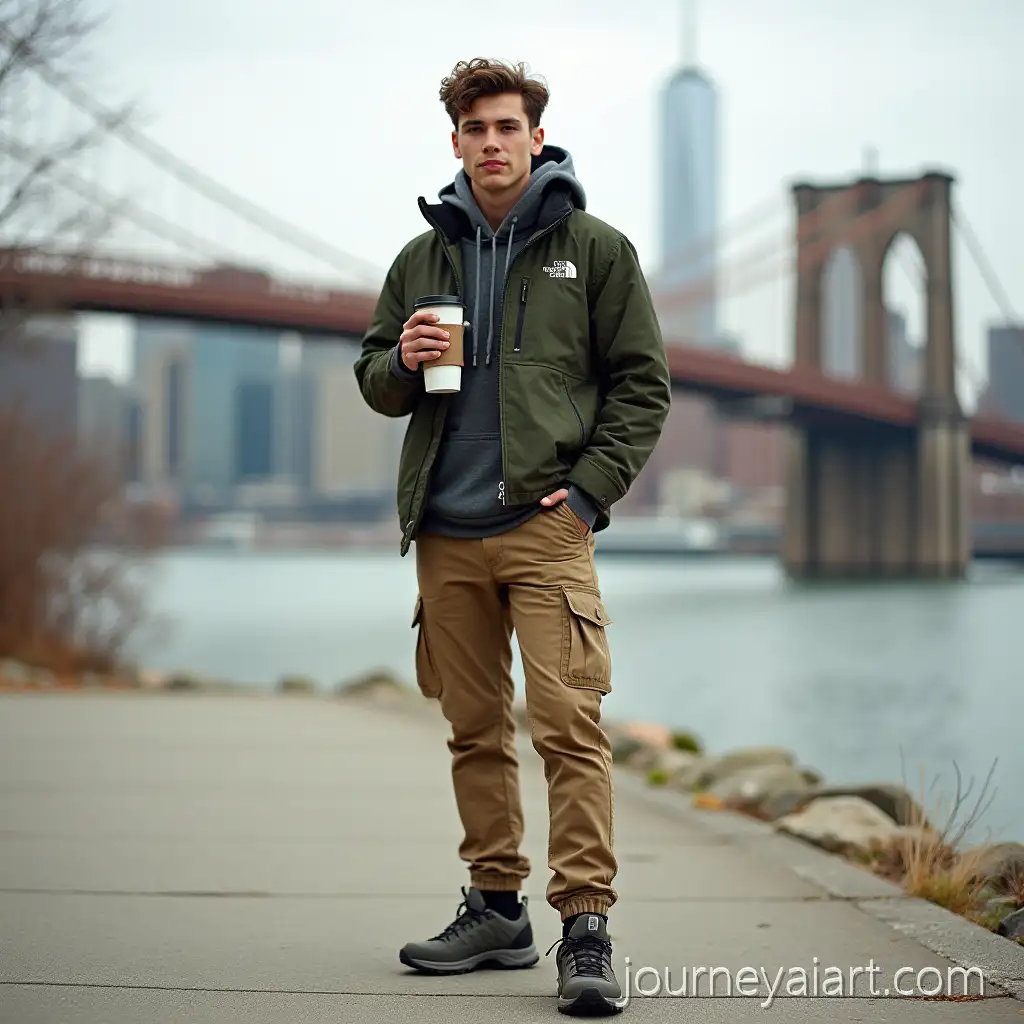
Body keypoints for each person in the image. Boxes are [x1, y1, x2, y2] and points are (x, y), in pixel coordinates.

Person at [353, 57, 670, 1017]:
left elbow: (642, 386)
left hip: (545, 531)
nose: (491, 143)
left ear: (537, 137)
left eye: (507, 126)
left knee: (569, 728)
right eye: (474, 129)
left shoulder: (596, 250)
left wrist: (584, 497)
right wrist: (398, 362)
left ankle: (585, 927)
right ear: (454, 142)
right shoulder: (421, 258)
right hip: (445, 532)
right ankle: (497, 906)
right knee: (473, 731)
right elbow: (373, 375)